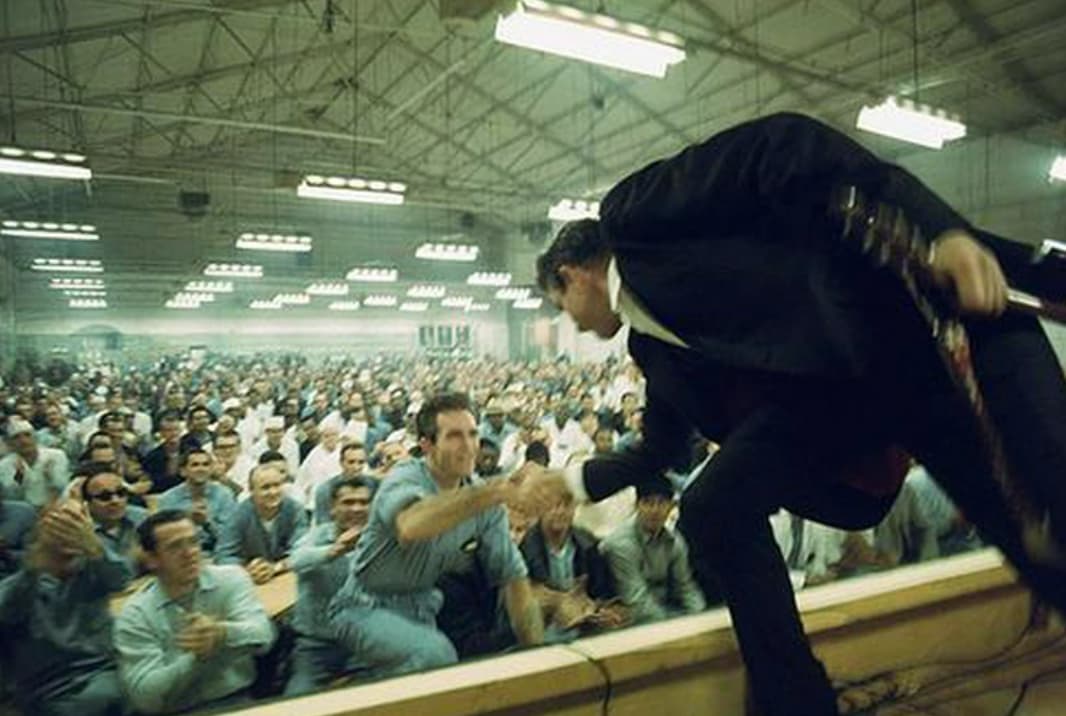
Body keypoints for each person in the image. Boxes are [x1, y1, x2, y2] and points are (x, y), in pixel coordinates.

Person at [524, 112, 1066, 716]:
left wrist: (939, 230)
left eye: (561, 305)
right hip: (833, 406)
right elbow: (662, 449)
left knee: (1041, 531)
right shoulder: (649, 346)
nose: (568, 324)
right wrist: (566, 482)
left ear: (573, 276)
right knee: (712, 508)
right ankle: (795, 700)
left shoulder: (635, 215)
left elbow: (783, 142)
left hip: (910, 332)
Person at [328, 392, 543, 678]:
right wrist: (496, 490)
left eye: (472, 434)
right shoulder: (405, 477)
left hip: (424, 610)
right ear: (426, 445)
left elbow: (513, 577)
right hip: (363, 607)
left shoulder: (484, 499)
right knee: (437, 657)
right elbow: (412, 525)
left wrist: (540, 657)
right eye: (454, 436)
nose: (468, 447)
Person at [114, 510, 275, 714]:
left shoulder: (231, 579)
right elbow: (145, 697)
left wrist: (222, 634)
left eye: (193, 541)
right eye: (175, 546)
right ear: (152, 560)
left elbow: (265, 636)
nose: (190, 553)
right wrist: (195, 660)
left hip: (238, 701)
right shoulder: (136, 614)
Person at [0, 498, 130, 716]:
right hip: (51, 686)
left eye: (78, 522)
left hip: (103, 670)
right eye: (61, 522)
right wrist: (34, 569)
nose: (70, 530)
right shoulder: (25, 580)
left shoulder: (93, 567)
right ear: (42, 528)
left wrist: (95, 546)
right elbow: (7, 609)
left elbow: (122, 579)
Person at [285, 476, 376, 696]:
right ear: (333, 508)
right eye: (348, 502)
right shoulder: (316, 536)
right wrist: (333, 550)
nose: (356, 508)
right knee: (296, 701)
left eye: (364, 502)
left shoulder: (380, 540)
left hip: (366, 644)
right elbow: (295, 561)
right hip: (317, 645)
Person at [599, 481, 705, 623]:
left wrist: (700, 618)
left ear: (671, 507)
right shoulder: (620, 544)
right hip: (628, 621)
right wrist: (675, 625)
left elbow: (686, 587)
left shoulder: (674, 541)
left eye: (661, 503)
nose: (655, 510)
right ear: (637, 506)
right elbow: (637, 601)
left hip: (665, 612)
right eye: (648, 503)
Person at [215, 464, 308, 582]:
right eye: (265, 487)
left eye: (277, 485)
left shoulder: (295, 509)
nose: (273, 492)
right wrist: (246, 570)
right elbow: (223, 555)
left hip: (285, 574)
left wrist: (276, 567)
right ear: (251, 490)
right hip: (248, 580)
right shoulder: (237, 514)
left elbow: (303, 550)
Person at [158, 448, 236, 556]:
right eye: (195, 465)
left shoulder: (224, 495)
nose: (201, 469)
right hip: (180, 554)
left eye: (205, 465)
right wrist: (187, 521)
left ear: (211, 469)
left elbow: (230, 537)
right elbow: (164, 538)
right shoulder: (168, 498)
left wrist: (207, 523)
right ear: (183, 471)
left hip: (216, 553)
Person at [0, 417, 71, 509]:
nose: (23, 441)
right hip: (26, 513)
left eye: (27, 435)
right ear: (10, 443)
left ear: (35, 437)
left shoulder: (56, 456)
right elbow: (11, 498)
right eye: (16, 437)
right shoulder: (4, 465)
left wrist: (50, 476)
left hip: (57, 508)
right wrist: (19, 479)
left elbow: (62, 487)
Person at [313, 441, 370, 525]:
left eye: (361, 462)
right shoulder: (325, 490)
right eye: (351, 462)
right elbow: (323, 523)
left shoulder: (374, 485)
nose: (356, 467)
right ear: (341, 463)